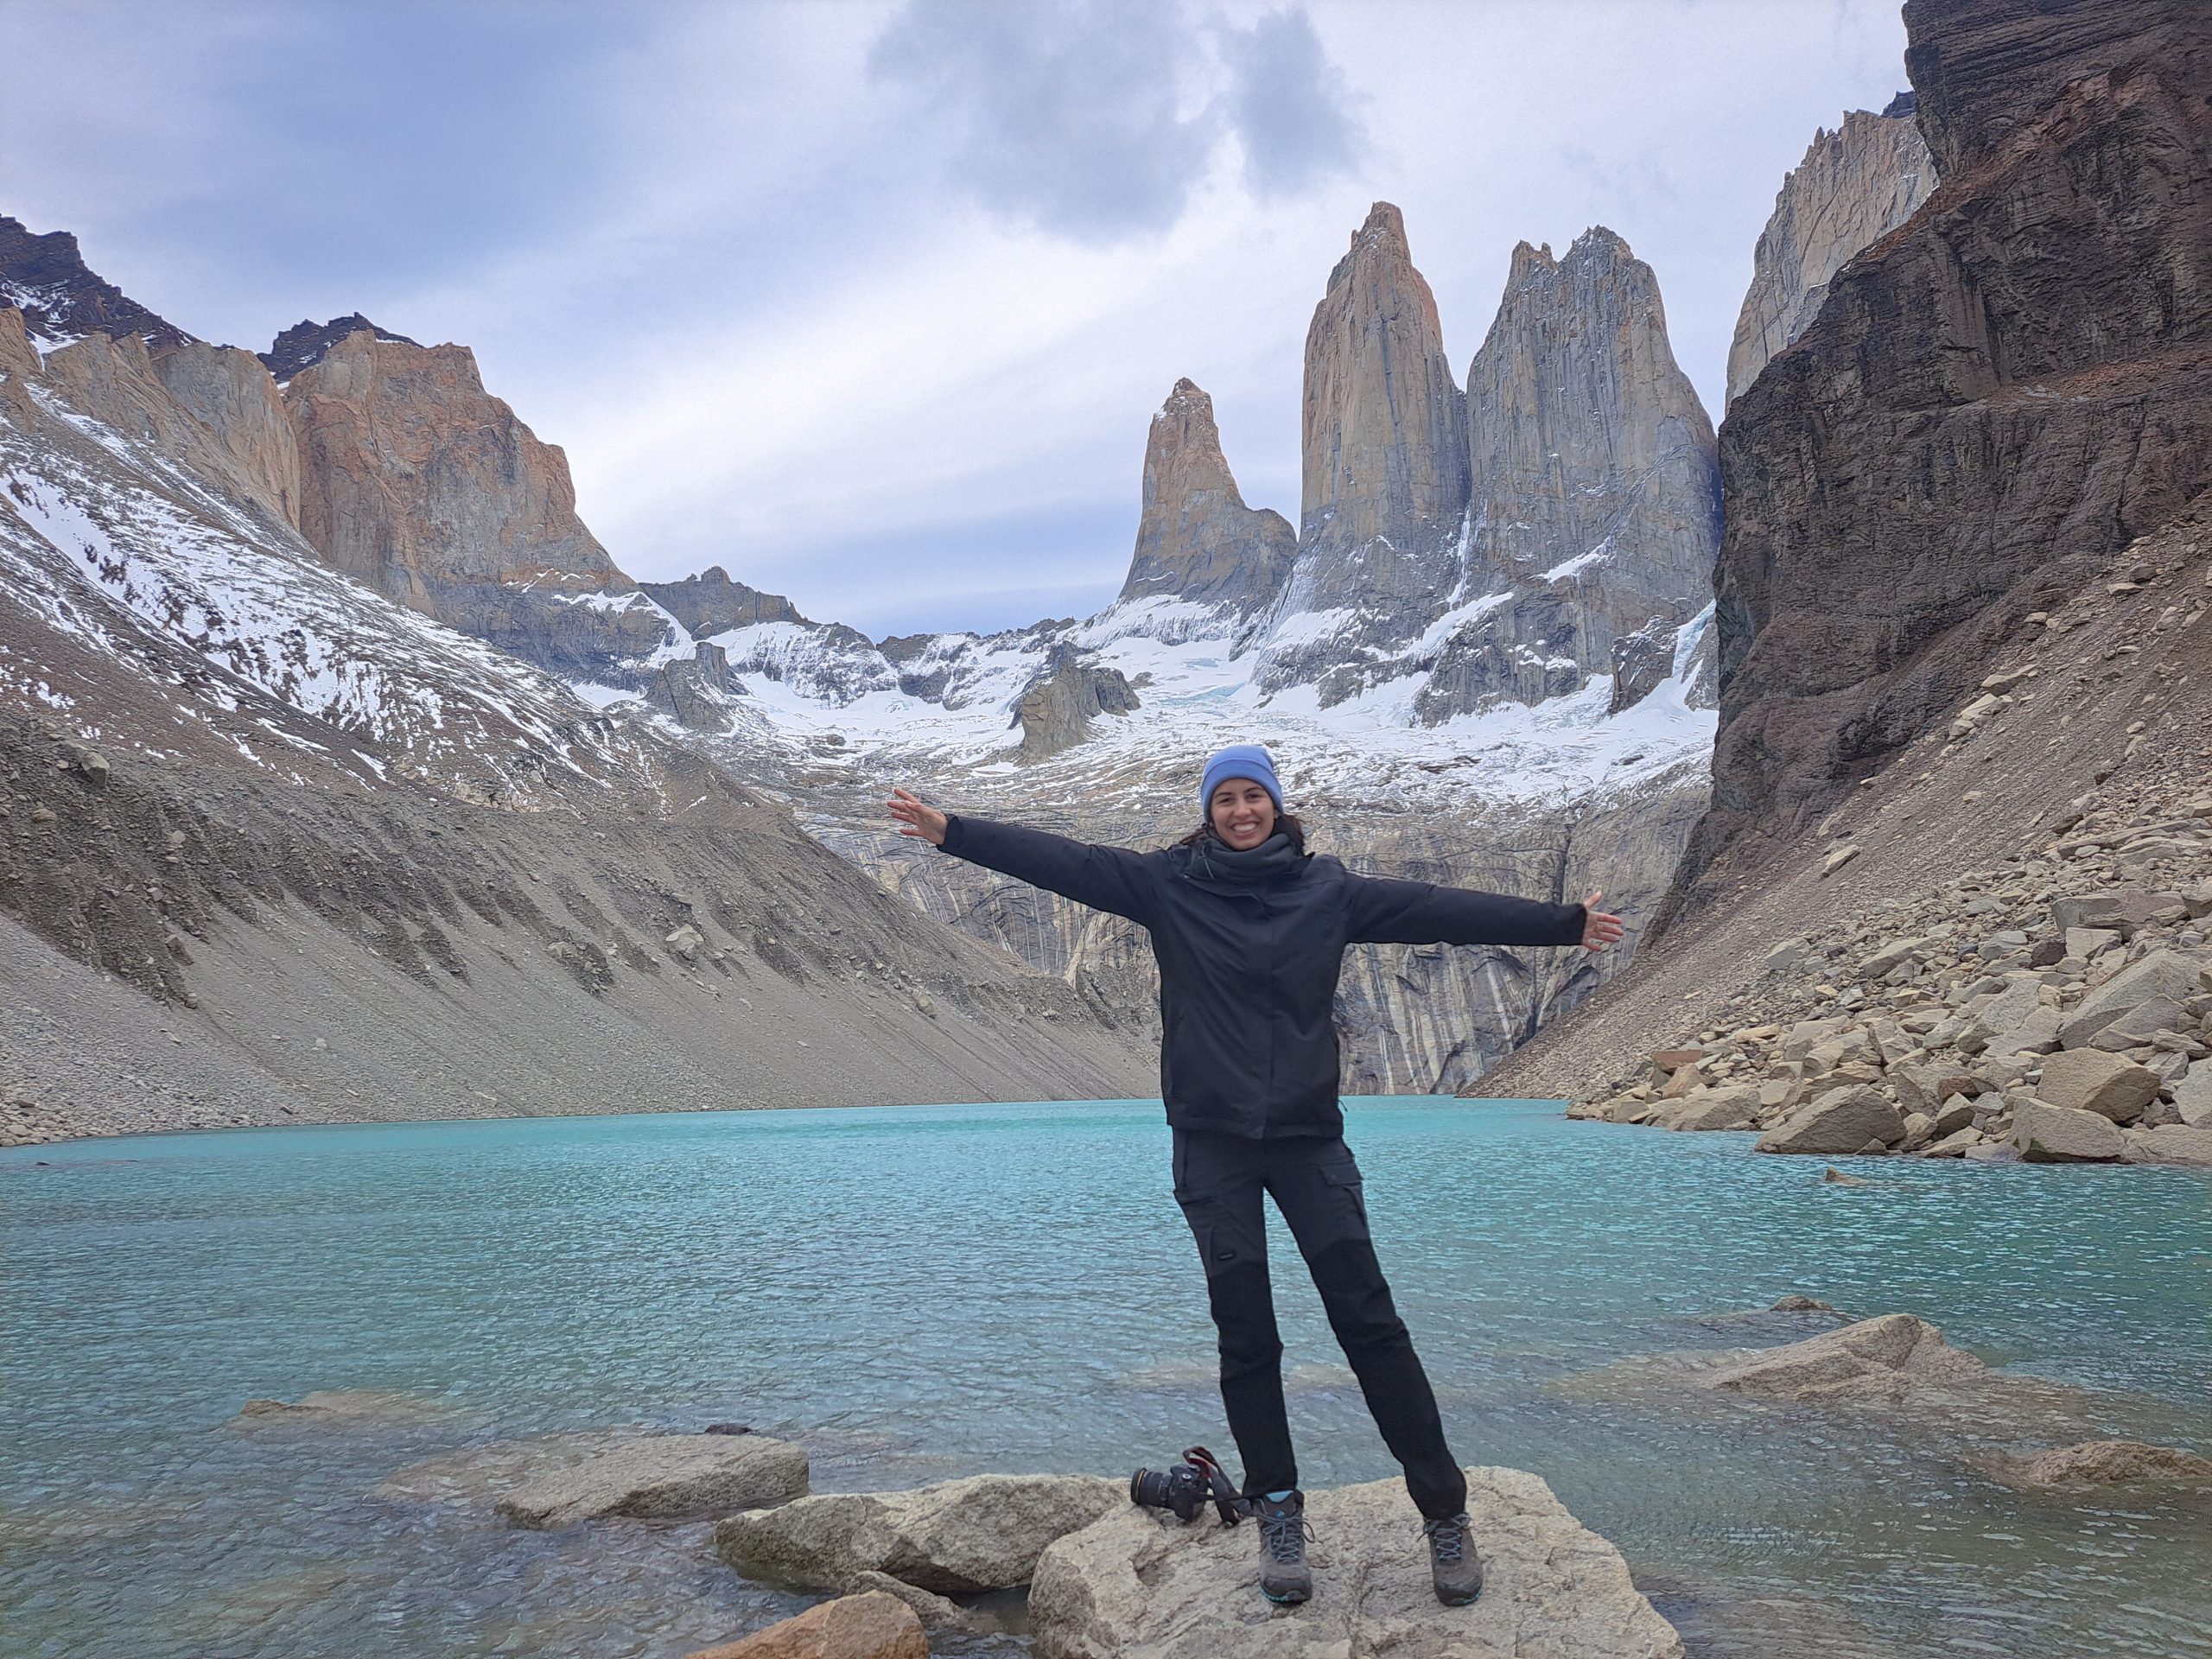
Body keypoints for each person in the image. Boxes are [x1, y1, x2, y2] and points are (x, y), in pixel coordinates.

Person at [887, 743, 1623, 1609]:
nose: (1241, 811)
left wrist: (1562, 922)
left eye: (1254, 797)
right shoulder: (1167, 885)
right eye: (1226, 799)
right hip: (1212, 1144)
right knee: (1247, 1334)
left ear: (1276, 805)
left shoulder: (1329, 891)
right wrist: (953, 833)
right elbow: (1069, 865)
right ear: (1210, 811)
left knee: (1370, 1323)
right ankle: (1278, 1512)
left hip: (1309, 1141)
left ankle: (1444, 1513)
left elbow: (1436, 909)